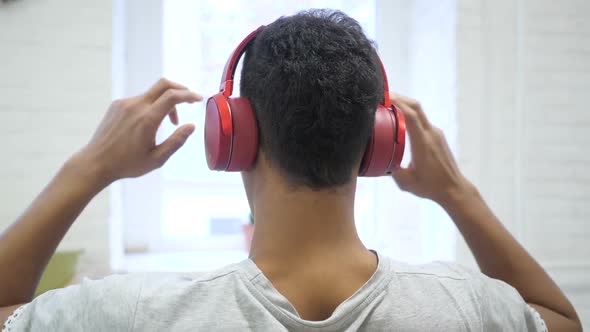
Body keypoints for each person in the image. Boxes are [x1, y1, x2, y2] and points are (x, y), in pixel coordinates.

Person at [0, 9, 581, 332]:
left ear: (233, 136)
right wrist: (456, 192)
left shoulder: (134, 315)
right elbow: (562, 321)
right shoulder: (468, 310)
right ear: (380, 145)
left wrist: (90, 167)